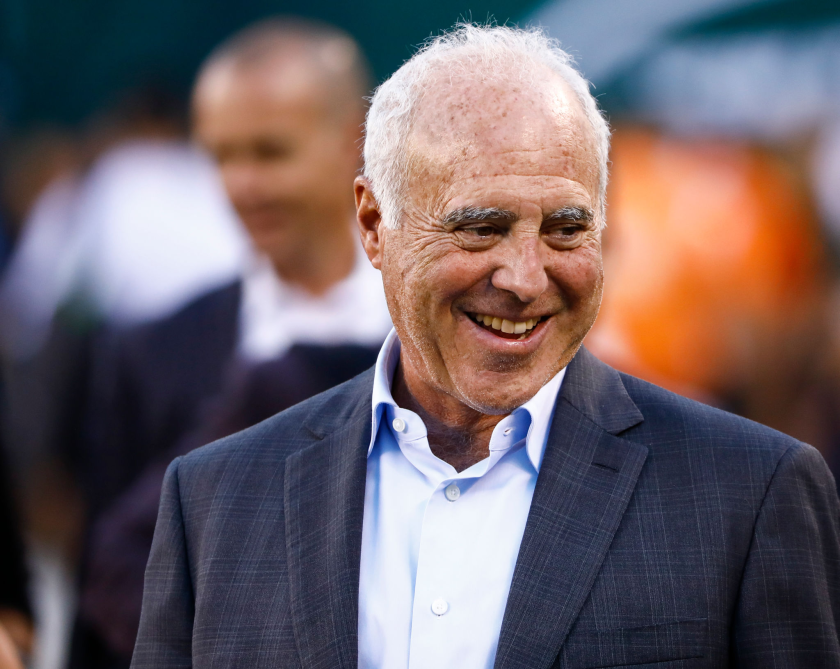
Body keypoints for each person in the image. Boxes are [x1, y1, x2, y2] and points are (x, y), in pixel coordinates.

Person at [133, 23, 840, 668]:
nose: (526, 277)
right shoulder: (216, 501)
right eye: (481, 227)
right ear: (375, 225)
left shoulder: (750, 495)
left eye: (566, 227)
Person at [73, 18, 391, 669]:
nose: (242, 185)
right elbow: (103, 599)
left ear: (354, 142)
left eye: (270, 152)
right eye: (220, 155)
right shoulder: (152, 356)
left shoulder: (444, 337)